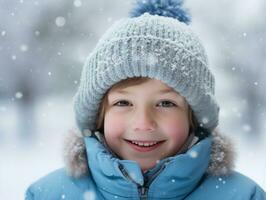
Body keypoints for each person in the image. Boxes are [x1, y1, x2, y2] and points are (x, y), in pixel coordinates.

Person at [25, 0, 266, 199]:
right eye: (123, 103)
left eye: (165, 103)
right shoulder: (49, 194)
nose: (143, 123)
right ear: (99, 115)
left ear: (194, 117)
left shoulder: (244, 195)